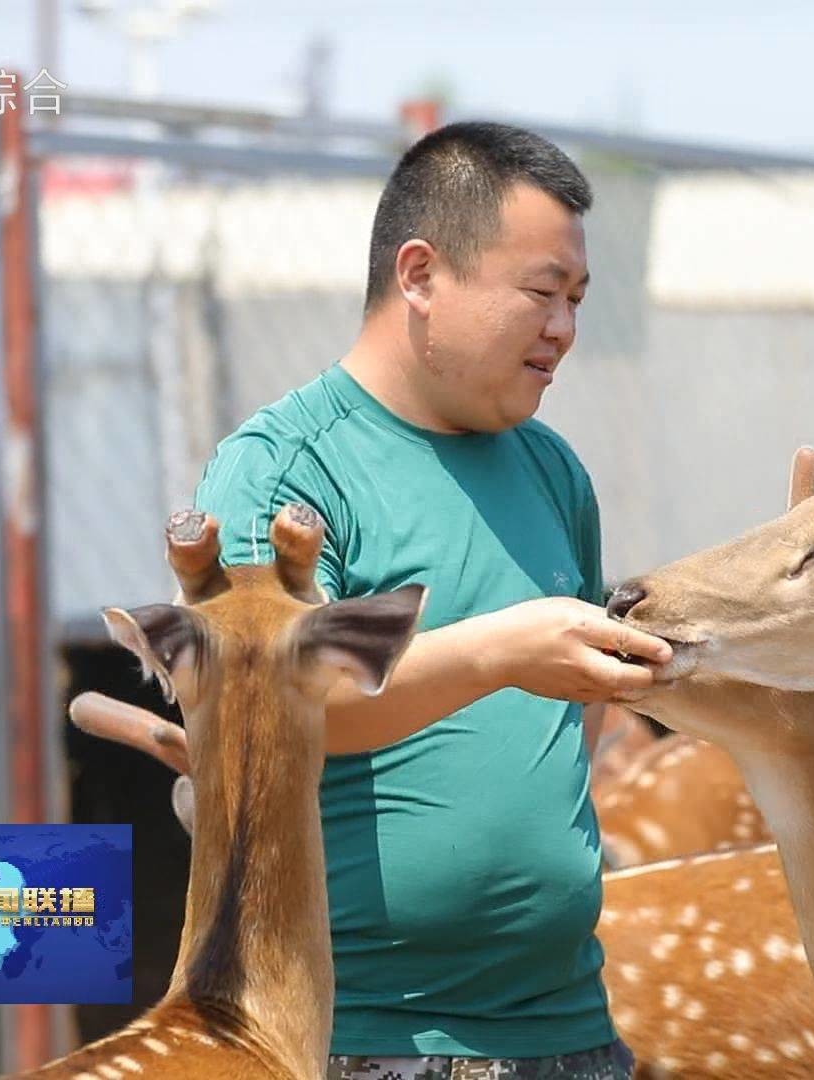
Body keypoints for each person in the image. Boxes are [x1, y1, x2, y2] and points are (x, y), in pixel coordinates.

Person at [193, 121, 670, 1080]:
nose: (565, 329)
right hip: (365, 1039)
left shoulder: (552, 471)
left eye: (577, 299)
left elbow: (574, 722)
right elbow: (270, 716)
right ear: (419, 275)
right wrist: (498, 651)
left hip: (571, 1031)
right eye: (541, 293)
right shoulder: (286, 472)